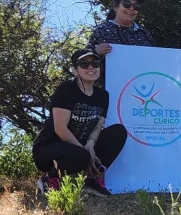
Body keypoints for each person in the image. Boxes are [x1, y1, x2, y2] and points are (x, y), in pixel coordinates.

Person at [32, 49, 128, 195]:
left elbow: (97, 127)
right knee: (82, 156)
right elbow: (60, 129)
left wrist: (90, 145)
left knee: (118, 132)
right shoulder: (66, 89)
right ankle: (49, 179)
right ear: (76, 69)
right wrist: (87, 155)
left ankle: (92, 178)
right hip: (48, 148)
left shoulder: (103, 95)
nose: (91, 67)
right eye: (84, 64)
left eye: (95, 63)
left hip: (79, 147)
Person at [88, 0, 156, 56]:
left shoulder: (145, 33)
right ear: (115, 6)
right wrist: (95, 52)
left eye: (136, 6)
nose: (132, 8)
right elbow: (83, 60)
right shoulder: (101, 30)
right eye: (126, 4)